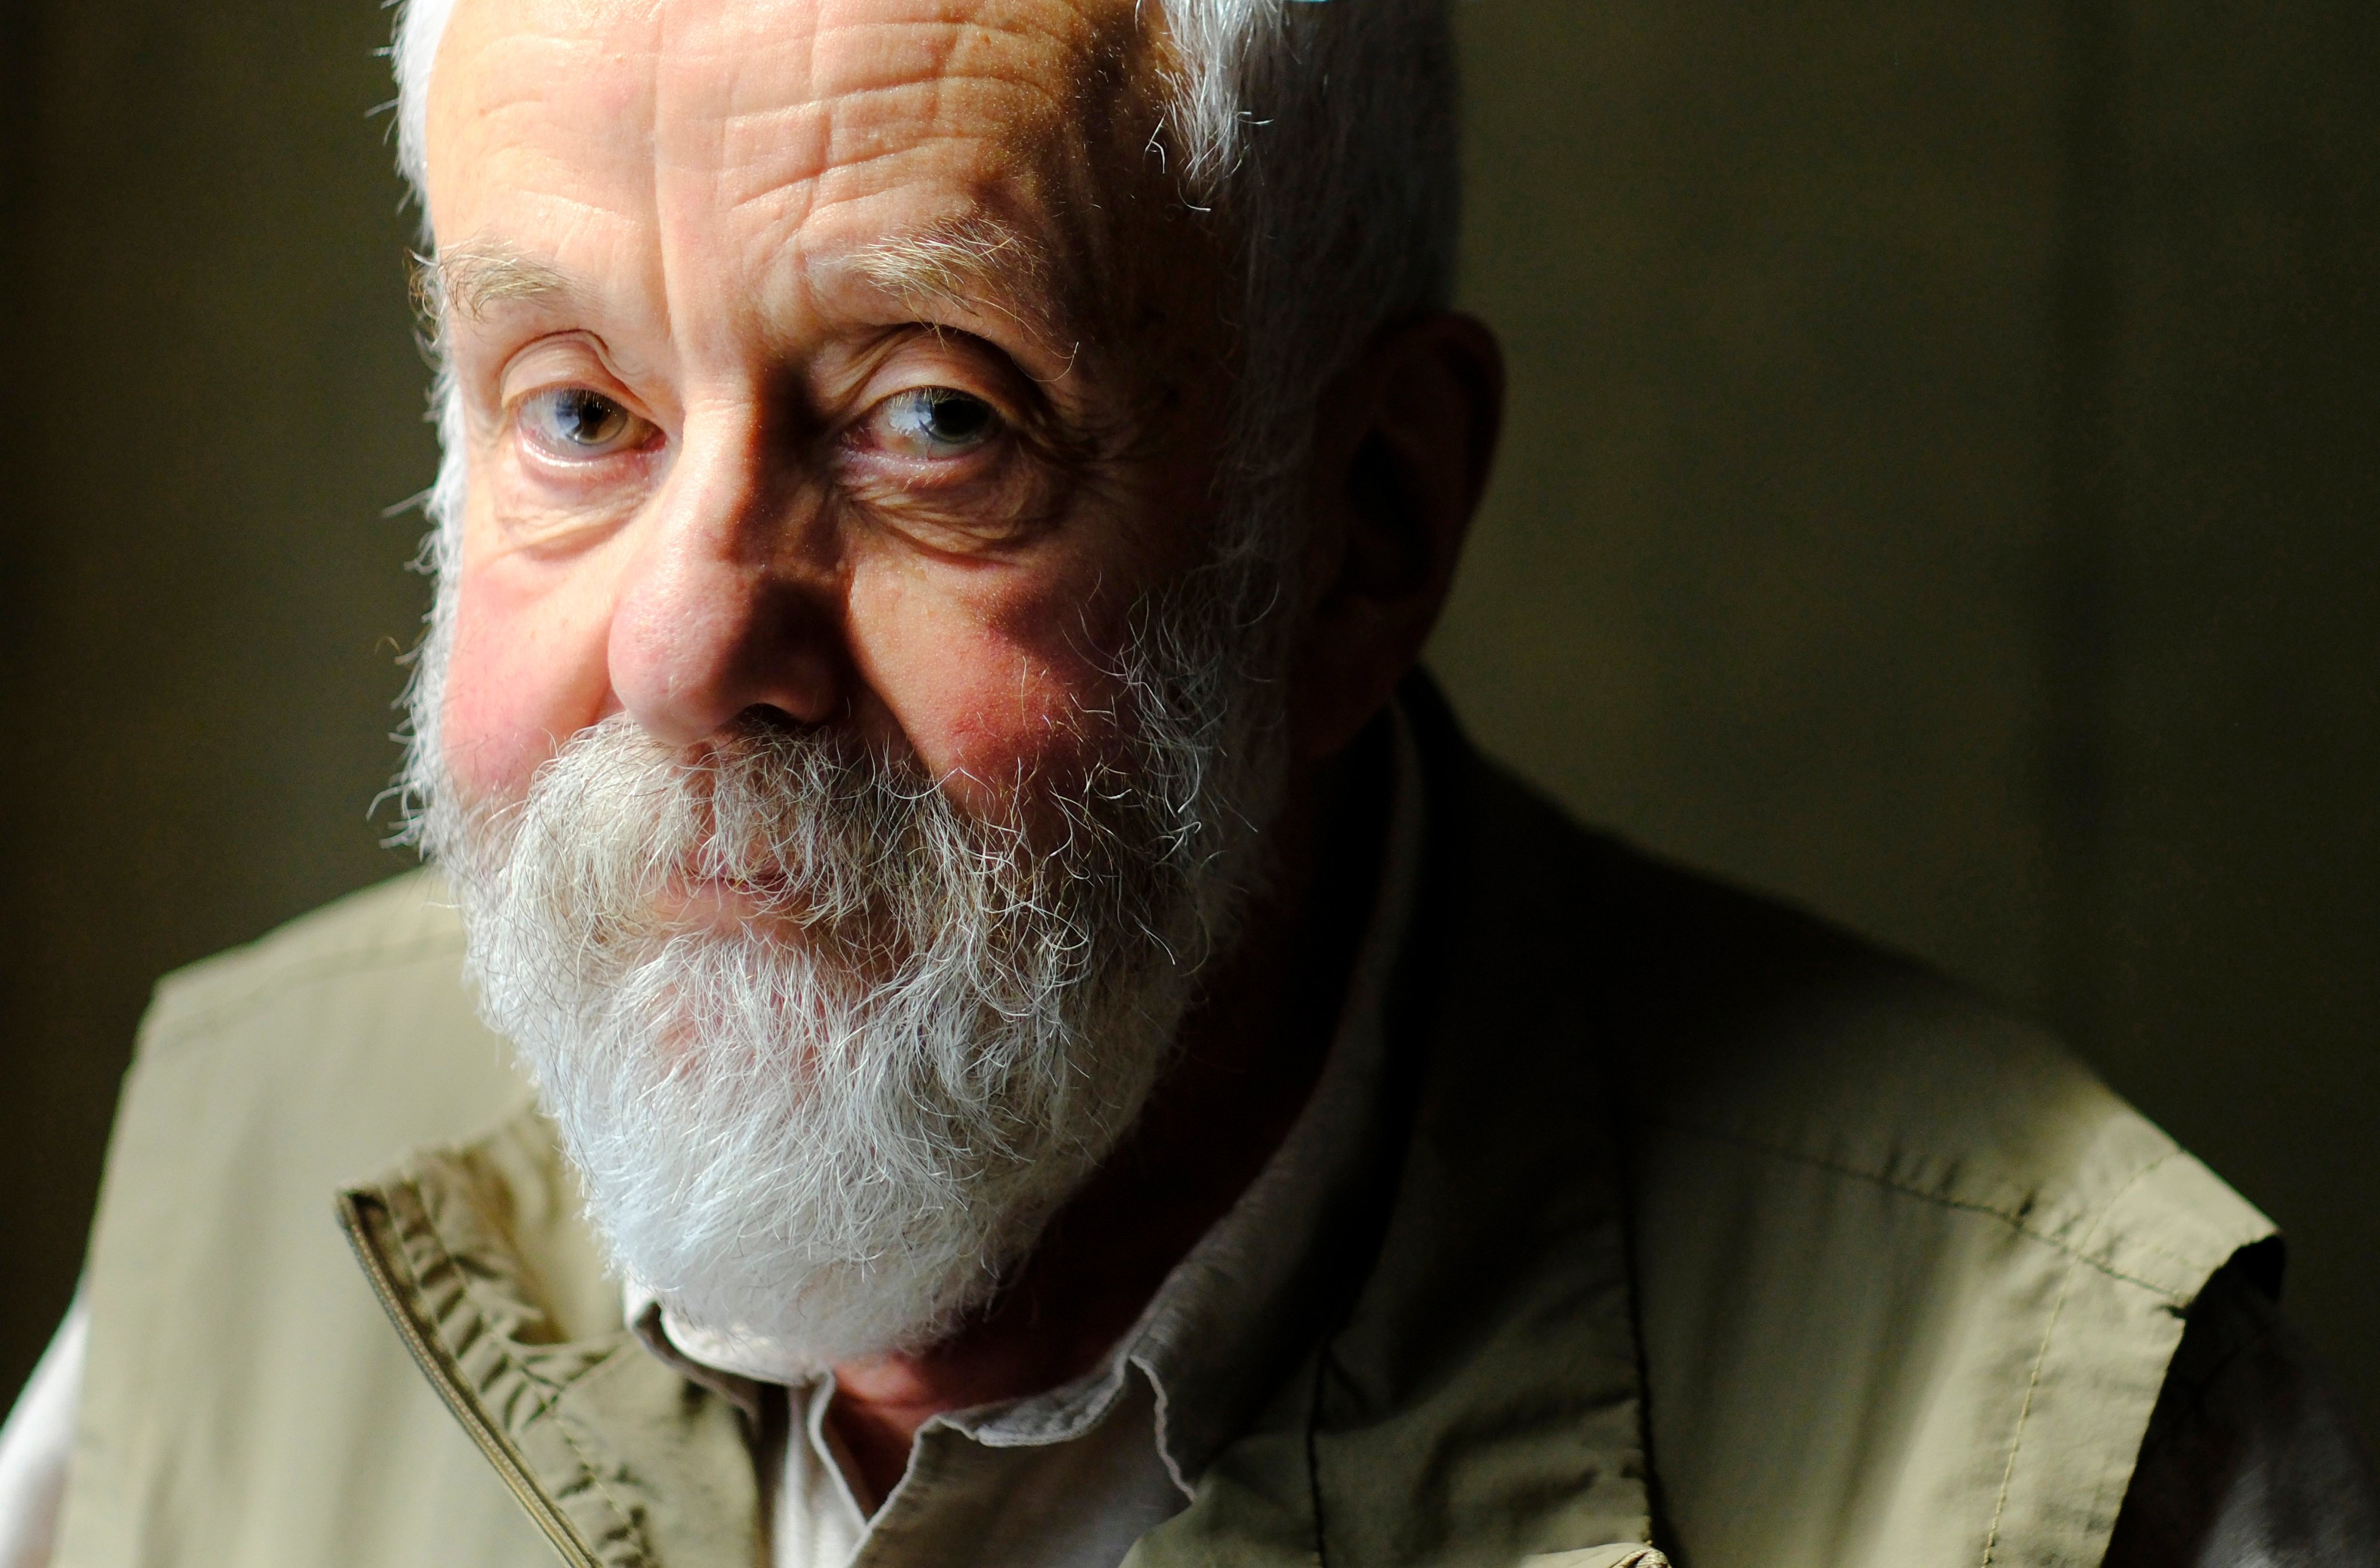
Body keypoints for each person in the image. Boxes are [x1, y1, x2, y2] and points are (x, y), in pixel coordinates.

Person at [2, 0, 2375, 1563]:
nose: (688, 642)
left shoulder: (2053, 1460)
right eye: (577, 411)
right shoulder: (243, 1170)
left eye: (934, 419)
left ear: (1362, 532)